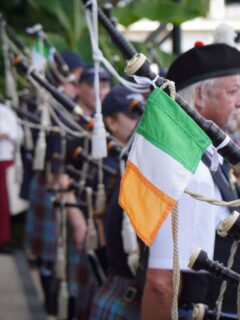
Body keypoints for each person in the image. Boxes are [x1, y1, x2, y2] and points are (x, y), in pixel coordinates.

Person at [141, 40, 240, 319]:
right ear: (199, 95)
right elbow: (162, 283)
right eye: (233, 91)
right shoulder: (184, 166)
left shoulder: (203, 157)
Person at [89, 85, 144, 320]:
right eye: (132, 115)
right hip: (123, 282)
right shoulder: (111, 163)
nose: (140, 120)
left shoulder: (135, 160)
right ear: (111, 123)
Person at [0, 101, 23, 252]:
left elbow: (16, 134)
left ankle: (4, 239)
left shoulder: (5, 111)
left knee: (3, 203)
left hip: (4, 160)